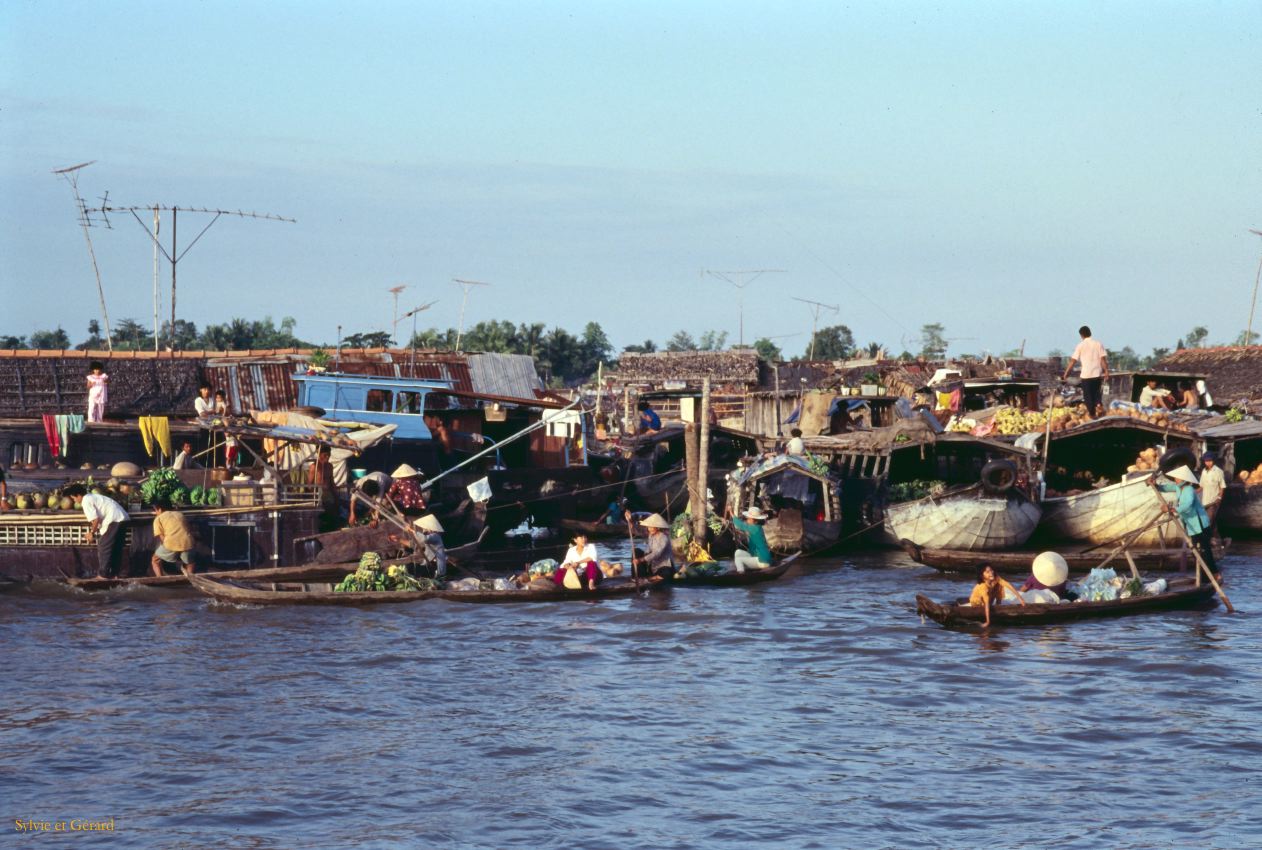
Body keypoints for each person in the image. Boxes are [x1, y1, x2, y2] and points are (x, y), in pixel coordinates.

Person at [1152, 465, 1218, 579]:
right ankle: (1204, 576)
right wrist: (1155, 485)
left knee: (1205, 551)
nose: (1176, 480)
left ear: (1184, 480)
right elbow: (1166, 487)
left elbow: (1186, 506)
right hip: (1191, 526)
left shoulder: (1189, 490)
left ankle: (1214, 574)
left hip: (1200, 524)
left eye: (1178, 478)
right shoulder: (1178, 487)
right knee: (1195, 552)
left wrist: (1171, 509)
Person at [74, 486, 130, 579]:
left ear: (79, 495)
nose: (75, 500)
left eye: (74, 498)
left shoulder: (86, 500)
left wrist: (91, 533)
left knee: (104, 545)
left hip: (115, 519)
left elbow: (95, 520)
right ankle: (115, 575)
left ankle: (103, 575)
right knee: (116, 548)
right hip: (123, 518)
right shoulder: (92, 497)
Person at [1062, 325, 1109, 418]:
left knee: (1088, 397)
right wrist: (1106, 371)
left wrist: (1066, 373)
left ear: (1081, 335)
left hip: (1086, 375)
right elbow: (1103, 360)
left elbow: (1073, 361)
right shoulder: (1098, 344)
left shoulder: (1080, 345)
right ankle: (1099, 405)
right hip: (1097, 375)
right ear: (1090, 333)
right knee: (1096, 394)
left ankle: (1092, 414)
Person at [151, 501, 196, 577]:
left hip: (171, 543)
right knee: (190, 563)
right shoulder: (180, 514)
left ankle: (160, 579)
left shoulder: (158, 519)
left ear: (159, 509)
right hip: (188, 542)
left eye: (155, 510)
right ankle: (190, 579)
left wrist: (166, 548)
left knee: (155, 560)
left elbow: (162, 537)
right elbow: (188, 529)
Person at [627, 511, 674, 578]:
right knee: (636, 551)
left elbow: (656, 553)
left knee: (666, 573)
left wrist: (641, 560)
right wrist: (630, 521)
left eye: (651, 527)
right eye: (648, 527)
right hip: (652, 565)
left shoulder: (663, 537)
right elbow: (638, 532)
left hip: (663, 566)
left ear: (657, 527)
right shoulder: (651, 535)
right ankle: (637, 577)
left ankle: (651, 577)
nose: (649, 529)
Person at [728, 505, 773, 574]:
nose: (747, 520)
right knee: (738, 552)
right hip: (757, 556)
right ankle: (742, 568)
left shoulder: (755, 528)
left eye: (748, 518)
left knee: (738, 559)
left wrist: (731, 512)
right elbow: (742, 525)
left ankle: (741, 574)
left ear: (754, 520)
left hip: (762, 561)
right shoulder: (756, 527)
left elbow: (740, 525)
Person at [1198, 452, 1226, 538]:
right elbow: (1201, 486)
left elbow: (1222, 487)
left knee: (1209, 521)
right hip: (1204, 501)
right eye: (1206, 461)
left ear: (1213, 461)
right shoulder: (1203, 471)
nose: (1208, 463)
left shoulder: (1218, 471)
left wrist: (1219, 498)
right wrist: (1192, 491)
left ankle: (1205, 540)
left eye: (1210, 461)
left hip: (1214, 501)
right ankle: (1217, 540)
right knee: (1211, 522)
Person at [414, 514, 447, 579]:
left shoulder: (435, 536)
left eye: (425, 528)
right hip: (432, 559)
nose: (424, 529)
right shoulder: (431, 535)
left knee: (438, 576)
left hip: (438, 560)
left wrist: (413, 532)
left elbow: (424, 539)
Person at [214, 389, 239, 467]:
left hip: (233, 439)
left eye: (220, 398)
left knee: (233, 456)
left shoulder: (224, 406)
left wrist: (224, 416)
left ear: (223, 398)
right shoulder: (218, 405)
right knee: (229, 456)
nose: (218, 399)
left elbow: (224, 413)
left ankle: (232, 467)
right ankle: (229, 467)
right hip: (229, 440)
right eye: (217, 398)